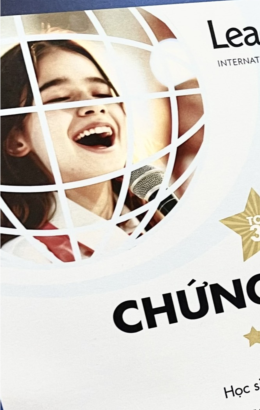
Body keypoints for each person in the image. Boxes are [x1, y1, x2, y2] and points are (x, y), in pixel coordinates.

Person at [0, 39, 162, 263]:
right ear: (16, 140)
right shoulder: (27, 260)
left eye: (102, 94)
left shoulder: (163, 221)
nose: (94, 106)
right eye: (59, 98)